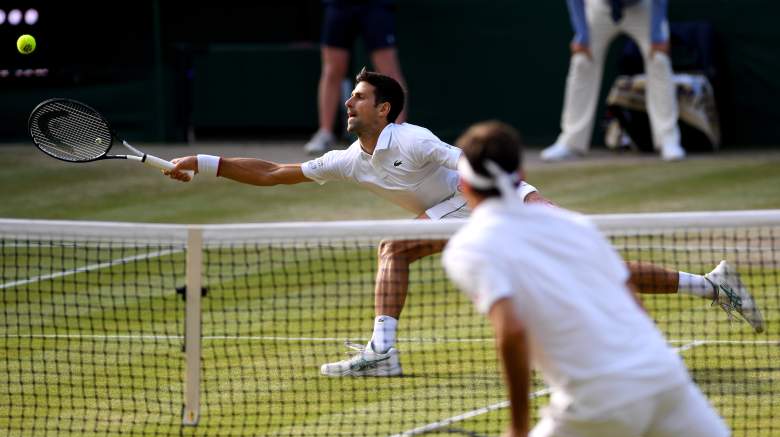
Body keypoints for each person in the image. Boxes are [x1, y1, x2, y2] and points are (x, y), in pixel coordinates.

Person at [164, 69, 763, 379]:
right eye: (350, 98)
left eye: (358, 98)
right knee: (393, 249)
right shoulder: (348, 158)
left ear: (385, 109)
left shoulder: (413, 138)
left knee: (594, 271)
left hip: (500, 202)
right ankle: (383, 351)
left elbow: (473, 165)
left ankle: (708, 287)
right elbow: (271, 172)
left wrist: (502, 217)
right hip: (462, 217)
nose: (348, 105)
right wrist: (206, 163)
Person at [442, 120, 780, 437]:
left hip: (599, 397)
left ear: (463, 187)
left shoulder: (469, 248)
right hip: (662, 373)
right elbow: (630, 298)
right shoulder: (573, 224)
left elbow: (512, 331)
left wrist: (518, 430)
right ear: (524, 176)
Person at [541, 0, 686, 162]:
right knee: (582, 61)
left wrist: (656, 35)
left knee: (659, 60)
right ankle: (571, 142)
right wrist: (582, 34)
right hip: (600, 6)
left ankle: (668, 139)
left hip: (642, 7)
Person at [304, 0, 407, 155]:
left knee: (390, 72)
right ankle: (325, 132)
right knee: (332, 71)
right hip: (339, 5)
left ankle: (399, 135)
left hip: (375, 7)